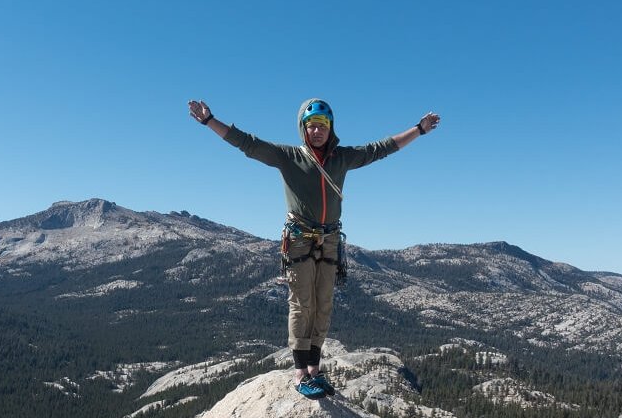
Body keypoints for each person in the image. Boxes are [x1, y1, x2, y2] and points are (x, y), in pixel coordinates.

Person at [187, 98, 440, 399]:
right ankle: (299, 373)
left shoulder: (341, 158)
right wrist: (209, 120)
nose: (317, 131)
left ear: (330, 129)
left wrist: (418, 130)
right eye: (312, 126)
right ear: (303, 129)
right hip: (300, 239)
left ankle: (314, 370)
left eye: (322, 126)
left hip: (330, 240)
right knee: (301, 303)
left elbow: (381, 148)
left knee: (323, 305)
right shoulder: (289, 157)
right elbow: (248, 144)